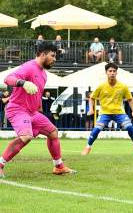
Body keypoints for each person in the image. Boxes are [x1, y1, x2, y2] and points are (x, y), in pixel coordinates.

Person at [0, 42, 76, 178]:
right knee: (26, 137)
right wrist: (22, 83)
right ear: (42, 54)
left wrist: (39, 109)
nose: (55, 59)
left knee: (53, 132)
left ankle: (59, 167)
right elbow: (8, 78)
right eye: (52, 55)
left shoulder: (44, 74)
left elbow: (37, 94)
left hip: (32, 113)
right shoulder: (29, 67)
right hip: (18, 110)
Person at [81, 63, 133, 155]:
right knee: (97, 129)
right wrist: (91, 109)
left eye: (114, 71)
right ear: (106, 73)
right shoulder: (101, 86)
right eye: (110, 71)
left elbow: (130, 99)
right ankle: (87, 147)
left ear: (116, 73)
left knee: (130, 127)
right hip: (105, 113)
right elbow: (91, 98)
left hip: (119, 112)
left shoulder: (123, 86)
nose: (112, 73)